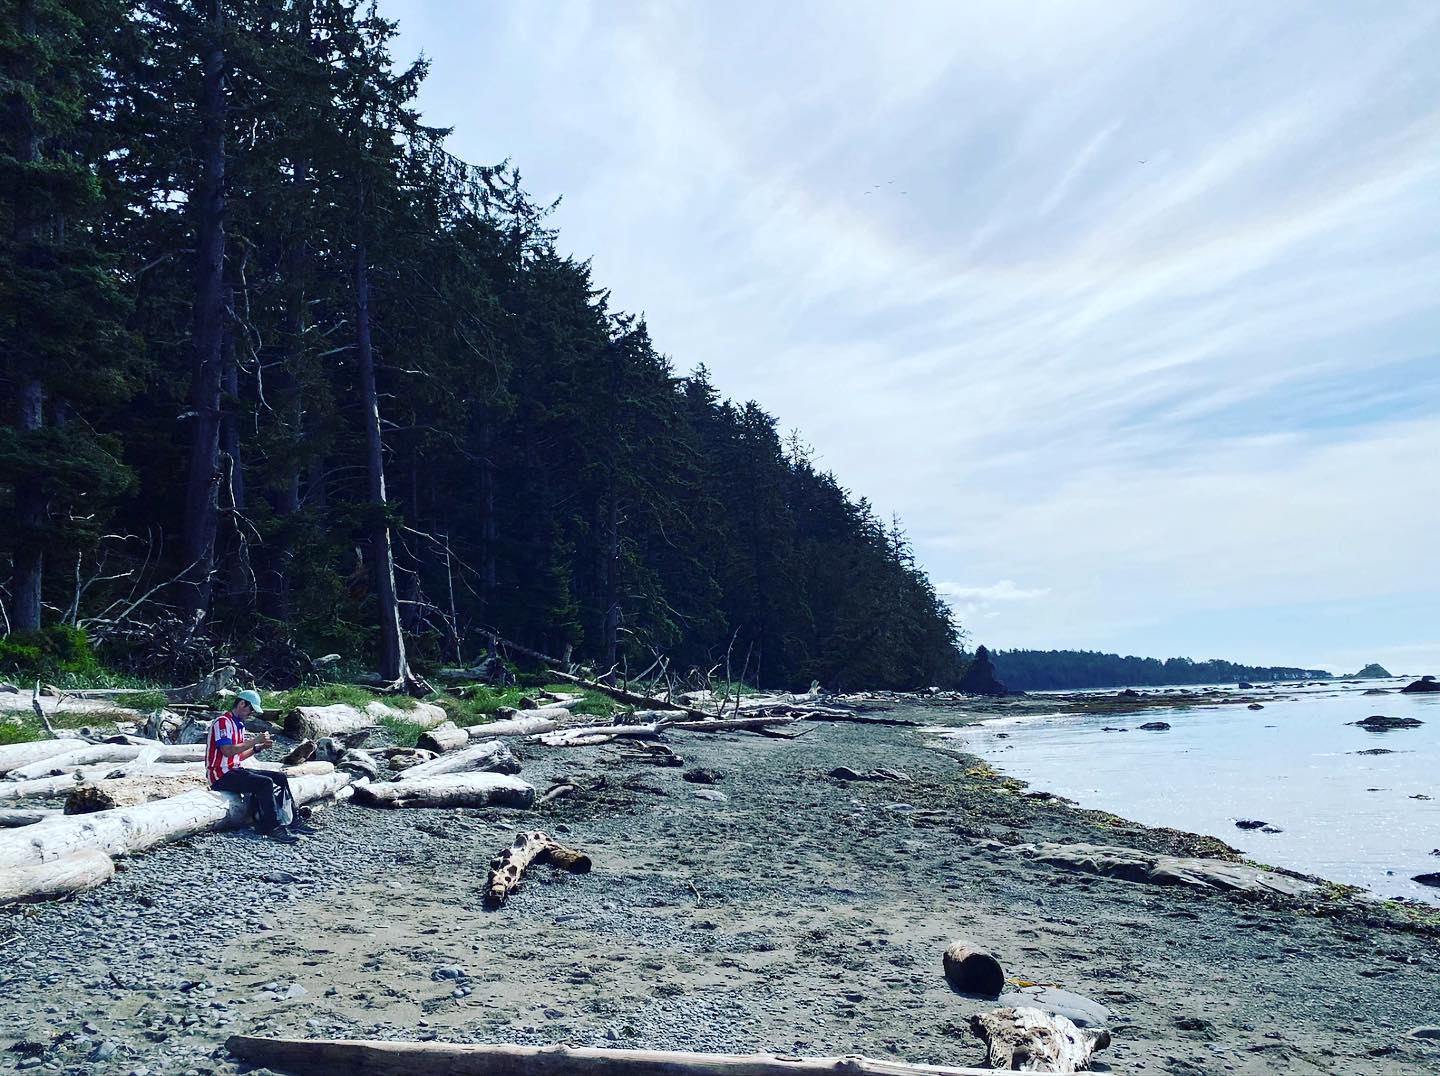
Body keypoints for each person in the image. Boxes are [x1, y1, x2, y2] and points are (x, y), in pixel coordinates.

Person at [207, 690, 311, 844]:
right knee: (265, 783)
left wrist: (258, 748)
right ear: (242, 704)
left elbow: (238, 756)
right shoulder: (223, 722)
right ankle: (272, 827)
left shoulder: (239, 725)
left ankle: (292, 818)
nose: (252, 714)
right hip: (220, 775)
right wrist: (254, 741)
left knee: (280, 777)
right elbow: (227, 751)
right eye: (252, 710)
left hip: (234, 770)